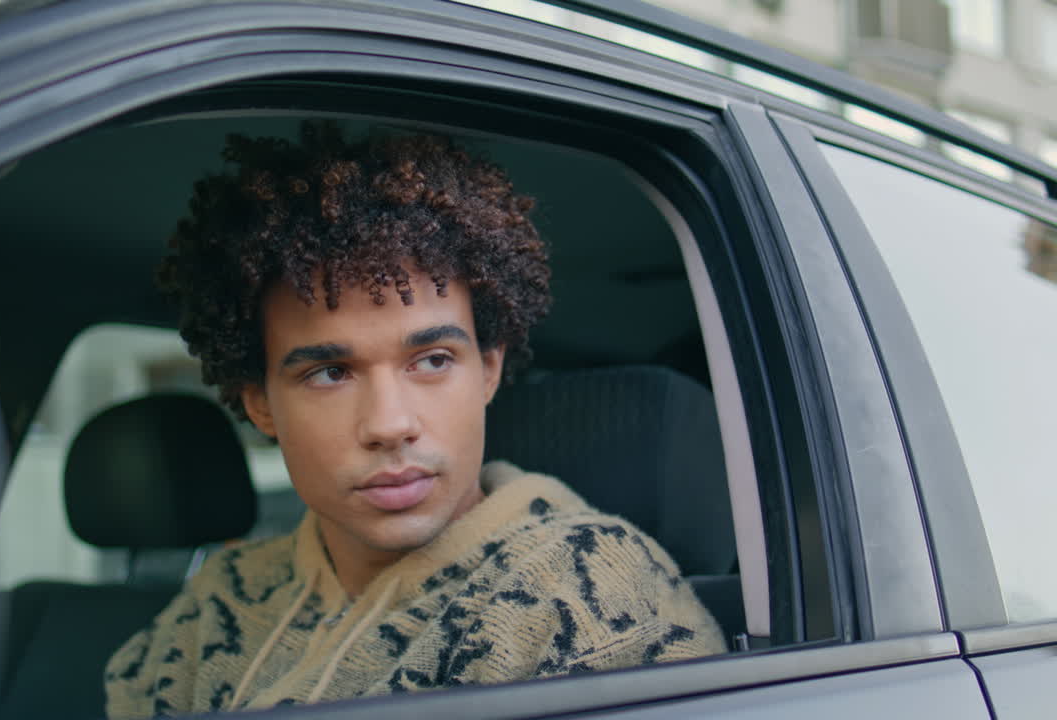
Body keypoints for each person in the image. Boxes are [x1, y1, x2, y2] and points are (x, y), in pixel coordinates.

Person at [104, 122, 724, 718]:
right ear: (260, 403)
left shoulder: (589, 598)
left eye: (431, 360)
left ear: (487, 371)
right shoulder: (220, 598)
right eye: (329, 372)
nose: (389, 423)